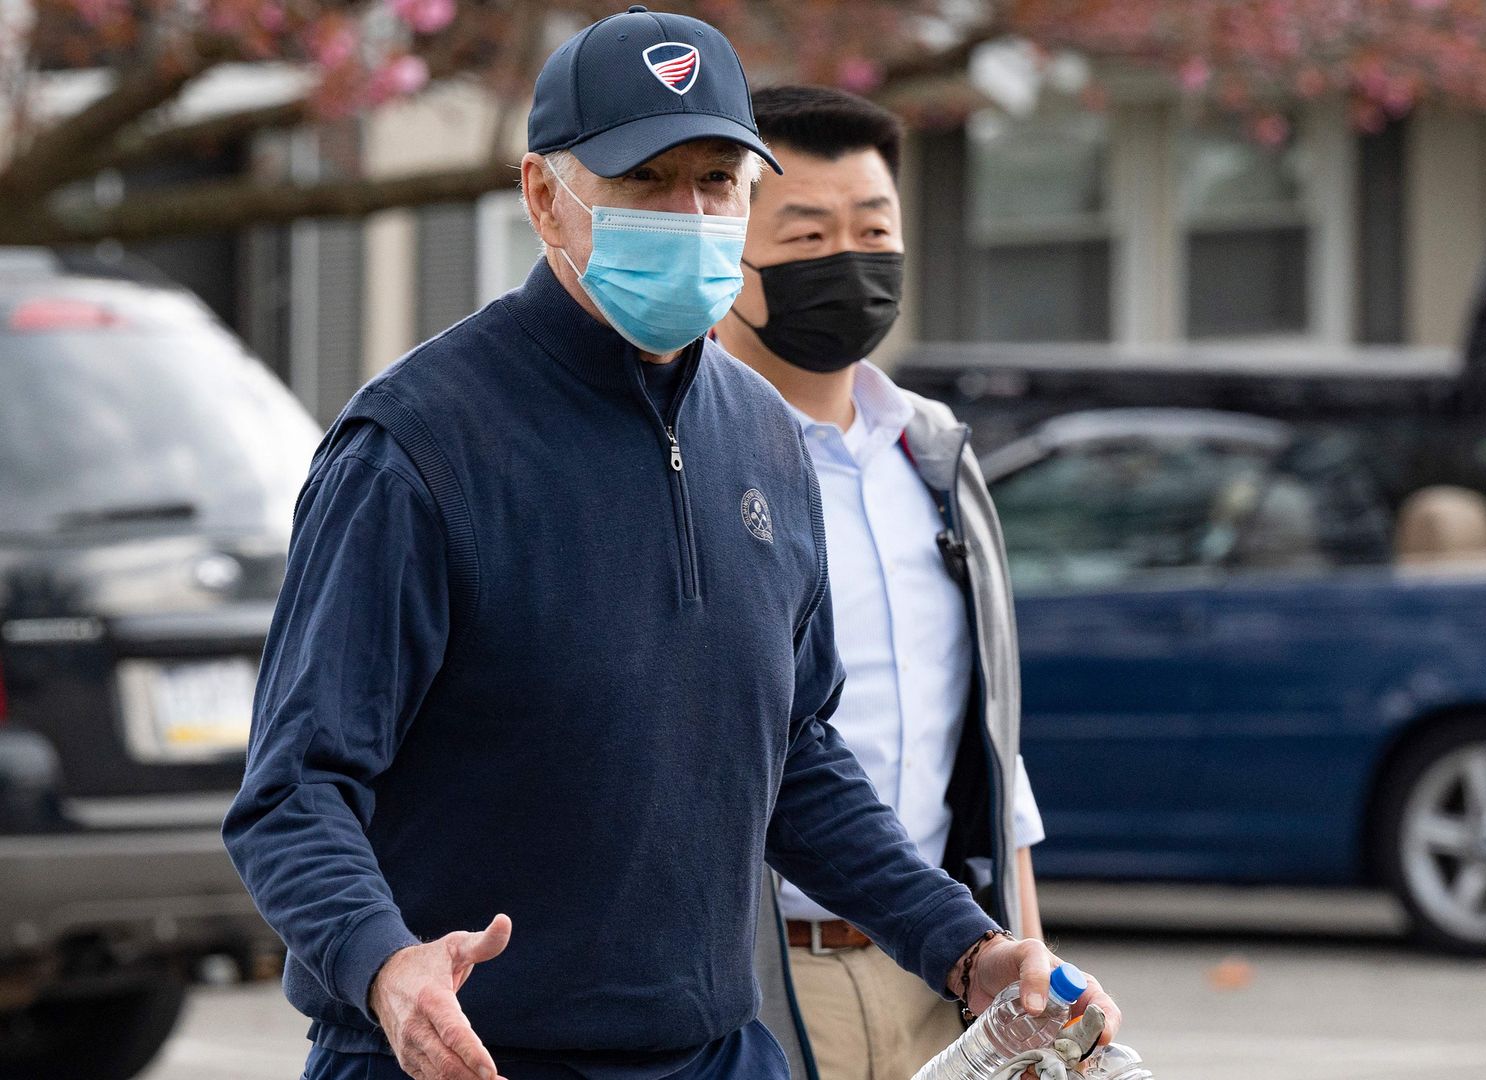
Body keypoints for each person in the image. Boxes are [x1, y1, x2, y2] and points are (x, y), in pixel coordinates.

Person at [221, 9, 1118, 1080]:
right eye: (648, 180)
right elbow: (294, 789)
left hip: (718, 1053)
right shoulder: (417, 448)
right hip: (461, 1057)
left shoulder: (767, 440)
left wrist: (965, 946)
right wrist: (383, 965)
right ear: (545, 195)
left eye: (719, 181)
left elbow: (797, 759)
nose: (691, 215)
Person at [715, 86, 1046, 1080]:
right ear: (727, 250)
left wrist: (1026, 955)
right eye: (807, 235)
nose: (848, 262)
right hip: (757, 976)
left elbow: (991, 745)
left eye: (874, 228)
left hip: (940, 974)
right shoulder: (684, 457)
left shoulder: (934, 457)